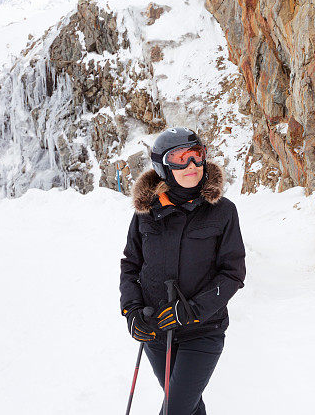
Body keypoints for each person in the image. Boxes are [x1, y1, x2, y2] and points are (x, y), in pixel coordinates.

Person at [119, 127, 246, 415]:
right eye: (179, 158)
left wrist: (193, 309)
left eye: (197, 156)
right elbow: (131, 265)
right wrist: (132, 311)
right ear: (163, 166)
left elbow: (232, 273)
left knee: (175, 409)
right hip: (156, 332)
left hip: (202, 331)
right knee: (187, 406)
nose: (191, 165)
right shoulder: (145, 212)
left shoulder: (223, 211)